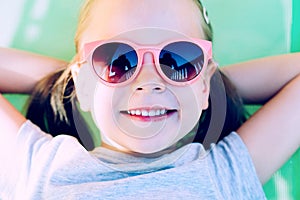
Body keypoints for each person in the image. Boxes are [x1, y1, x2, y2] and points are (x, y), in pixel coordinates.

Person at [0, 0, 299, 199]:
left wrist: (203, 83)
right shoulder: (38, 166)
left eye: (178, 60)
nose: (148, 82)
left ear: (206, 85)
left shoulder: (227, 172)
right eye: (116, 59)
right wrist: (75, 80)